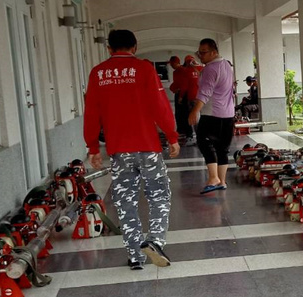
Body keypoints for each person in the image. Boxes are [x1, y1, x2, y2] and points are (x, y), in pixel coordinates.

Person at [83, 29, 179, 270]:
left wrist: (93, 147)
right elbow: (159, 105)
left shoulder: (98, 73)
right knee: (158, 195)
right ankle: (155, 241)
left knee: (125, 200)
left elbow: (92, 112)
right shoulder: (144, 69)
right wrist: (172, 135)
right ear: (134, 47)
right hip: (148, 147)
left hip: (118, 151)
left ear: (109, 49)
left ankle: (135, 255)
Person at [188, 38, 235, 194]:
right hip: (228, 114)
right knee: (222, 148)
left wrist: (195, 111)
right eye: (199, 52)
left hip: (212, 113)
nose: (200, 55)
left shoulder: (211, 68)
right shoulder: (226, 65)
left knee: (204, 143)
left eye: (203, 52)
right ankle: (222, 181)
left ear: (214, 52)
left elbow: (205, 92)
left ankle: (213, 178)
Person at [168, 55, 192, 143]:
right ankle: (181, 131)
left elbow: (184, 85)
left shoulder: (182, 71)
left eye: (171, 64)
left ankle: (188, 133)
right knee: (179, 114)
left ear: (175, 63)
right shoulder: (176, 72)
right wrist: (173, 88)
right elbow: (176, 84)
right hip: (179, 94)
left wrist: (181, 96)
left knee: (185, 114)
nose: (171, 65)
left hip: (183, 95)